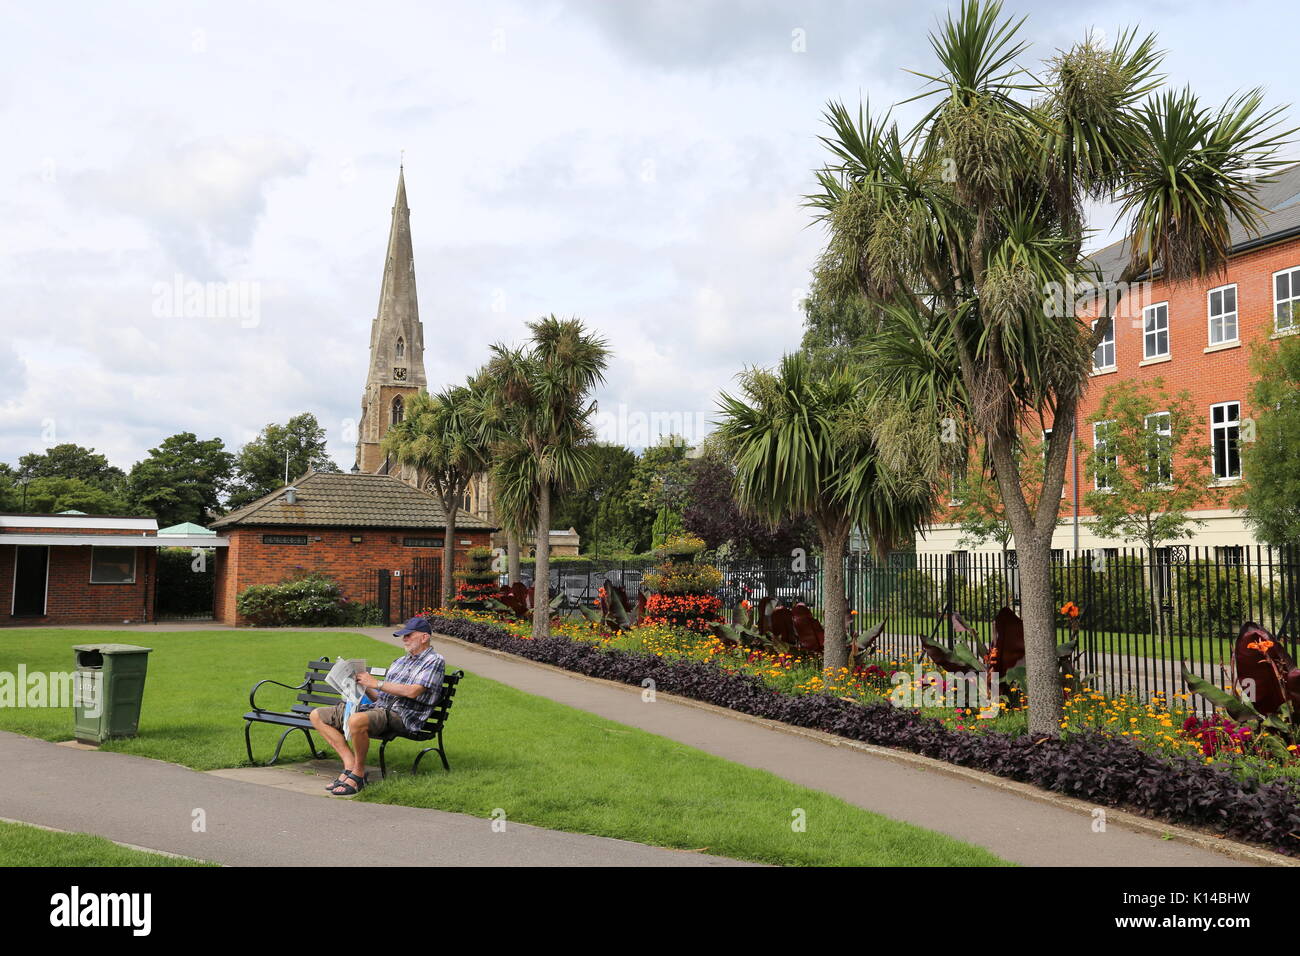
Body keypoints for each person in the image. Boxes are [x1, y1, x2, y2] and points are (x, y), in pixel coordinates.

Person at [308, 617, 446, 796]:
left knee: (356, 720)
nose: (404, 639)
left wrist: (376, 683)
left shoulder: (434, 661)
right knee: (316, 715)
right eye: (402, 636)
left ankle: (358, 773)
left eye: (408, 635)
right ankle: (350, 765)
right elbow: (381, 696)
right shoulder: (400, 661)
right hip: (380, 709)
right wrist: (361, 686)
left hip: (403, 715)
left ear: (424, 637)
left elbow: (413, 692)